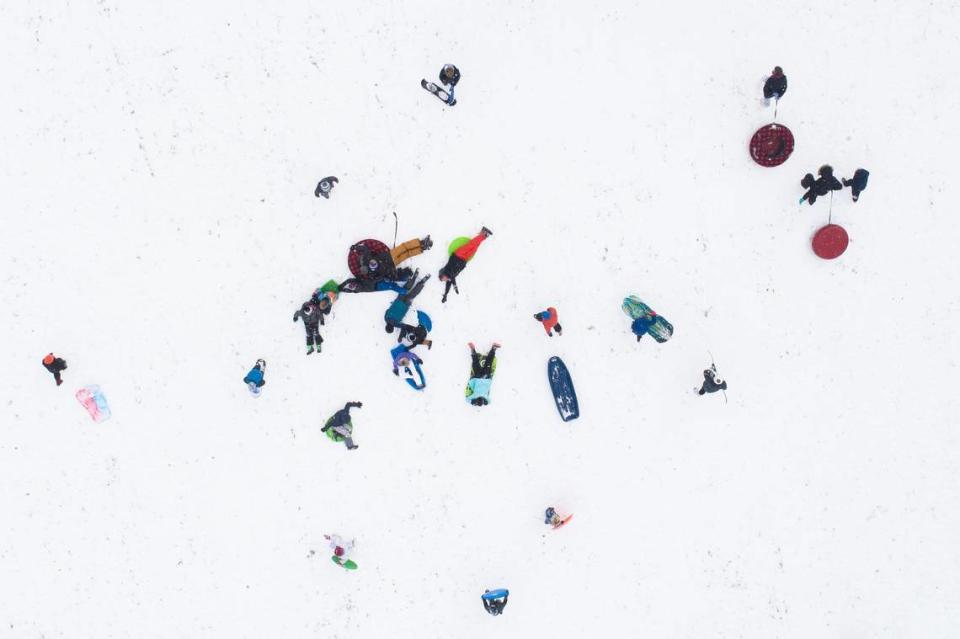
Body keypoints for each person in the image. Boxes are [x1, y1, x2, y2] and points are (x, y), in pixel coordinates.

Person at [439, 227, 492, 303]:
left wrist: (454, 285)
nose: (445, 280)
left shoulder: (447, 270)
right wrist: (446, 295)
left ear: (442, 275)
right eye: (444, 280)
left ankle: (483, 233)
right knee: (474, 248)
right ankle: (483, 235)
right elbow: (448, 285)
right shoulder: (450, 278)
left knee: (471, 244)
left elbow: (451, 277)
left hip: (458, 255)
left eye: (443, 279)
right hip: (464, 259)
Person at [465, 342, 499, 406]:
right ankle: (493, 348)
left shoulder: (473, 397)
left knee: (475, 363)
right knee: (488, 362)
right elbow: (489, 402)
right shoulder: (486, 398)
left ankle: (472, 349)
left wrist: (472, 402)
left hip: (477, 377)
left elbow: (467, 399)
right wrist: (486, 402)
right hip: (486, 377)